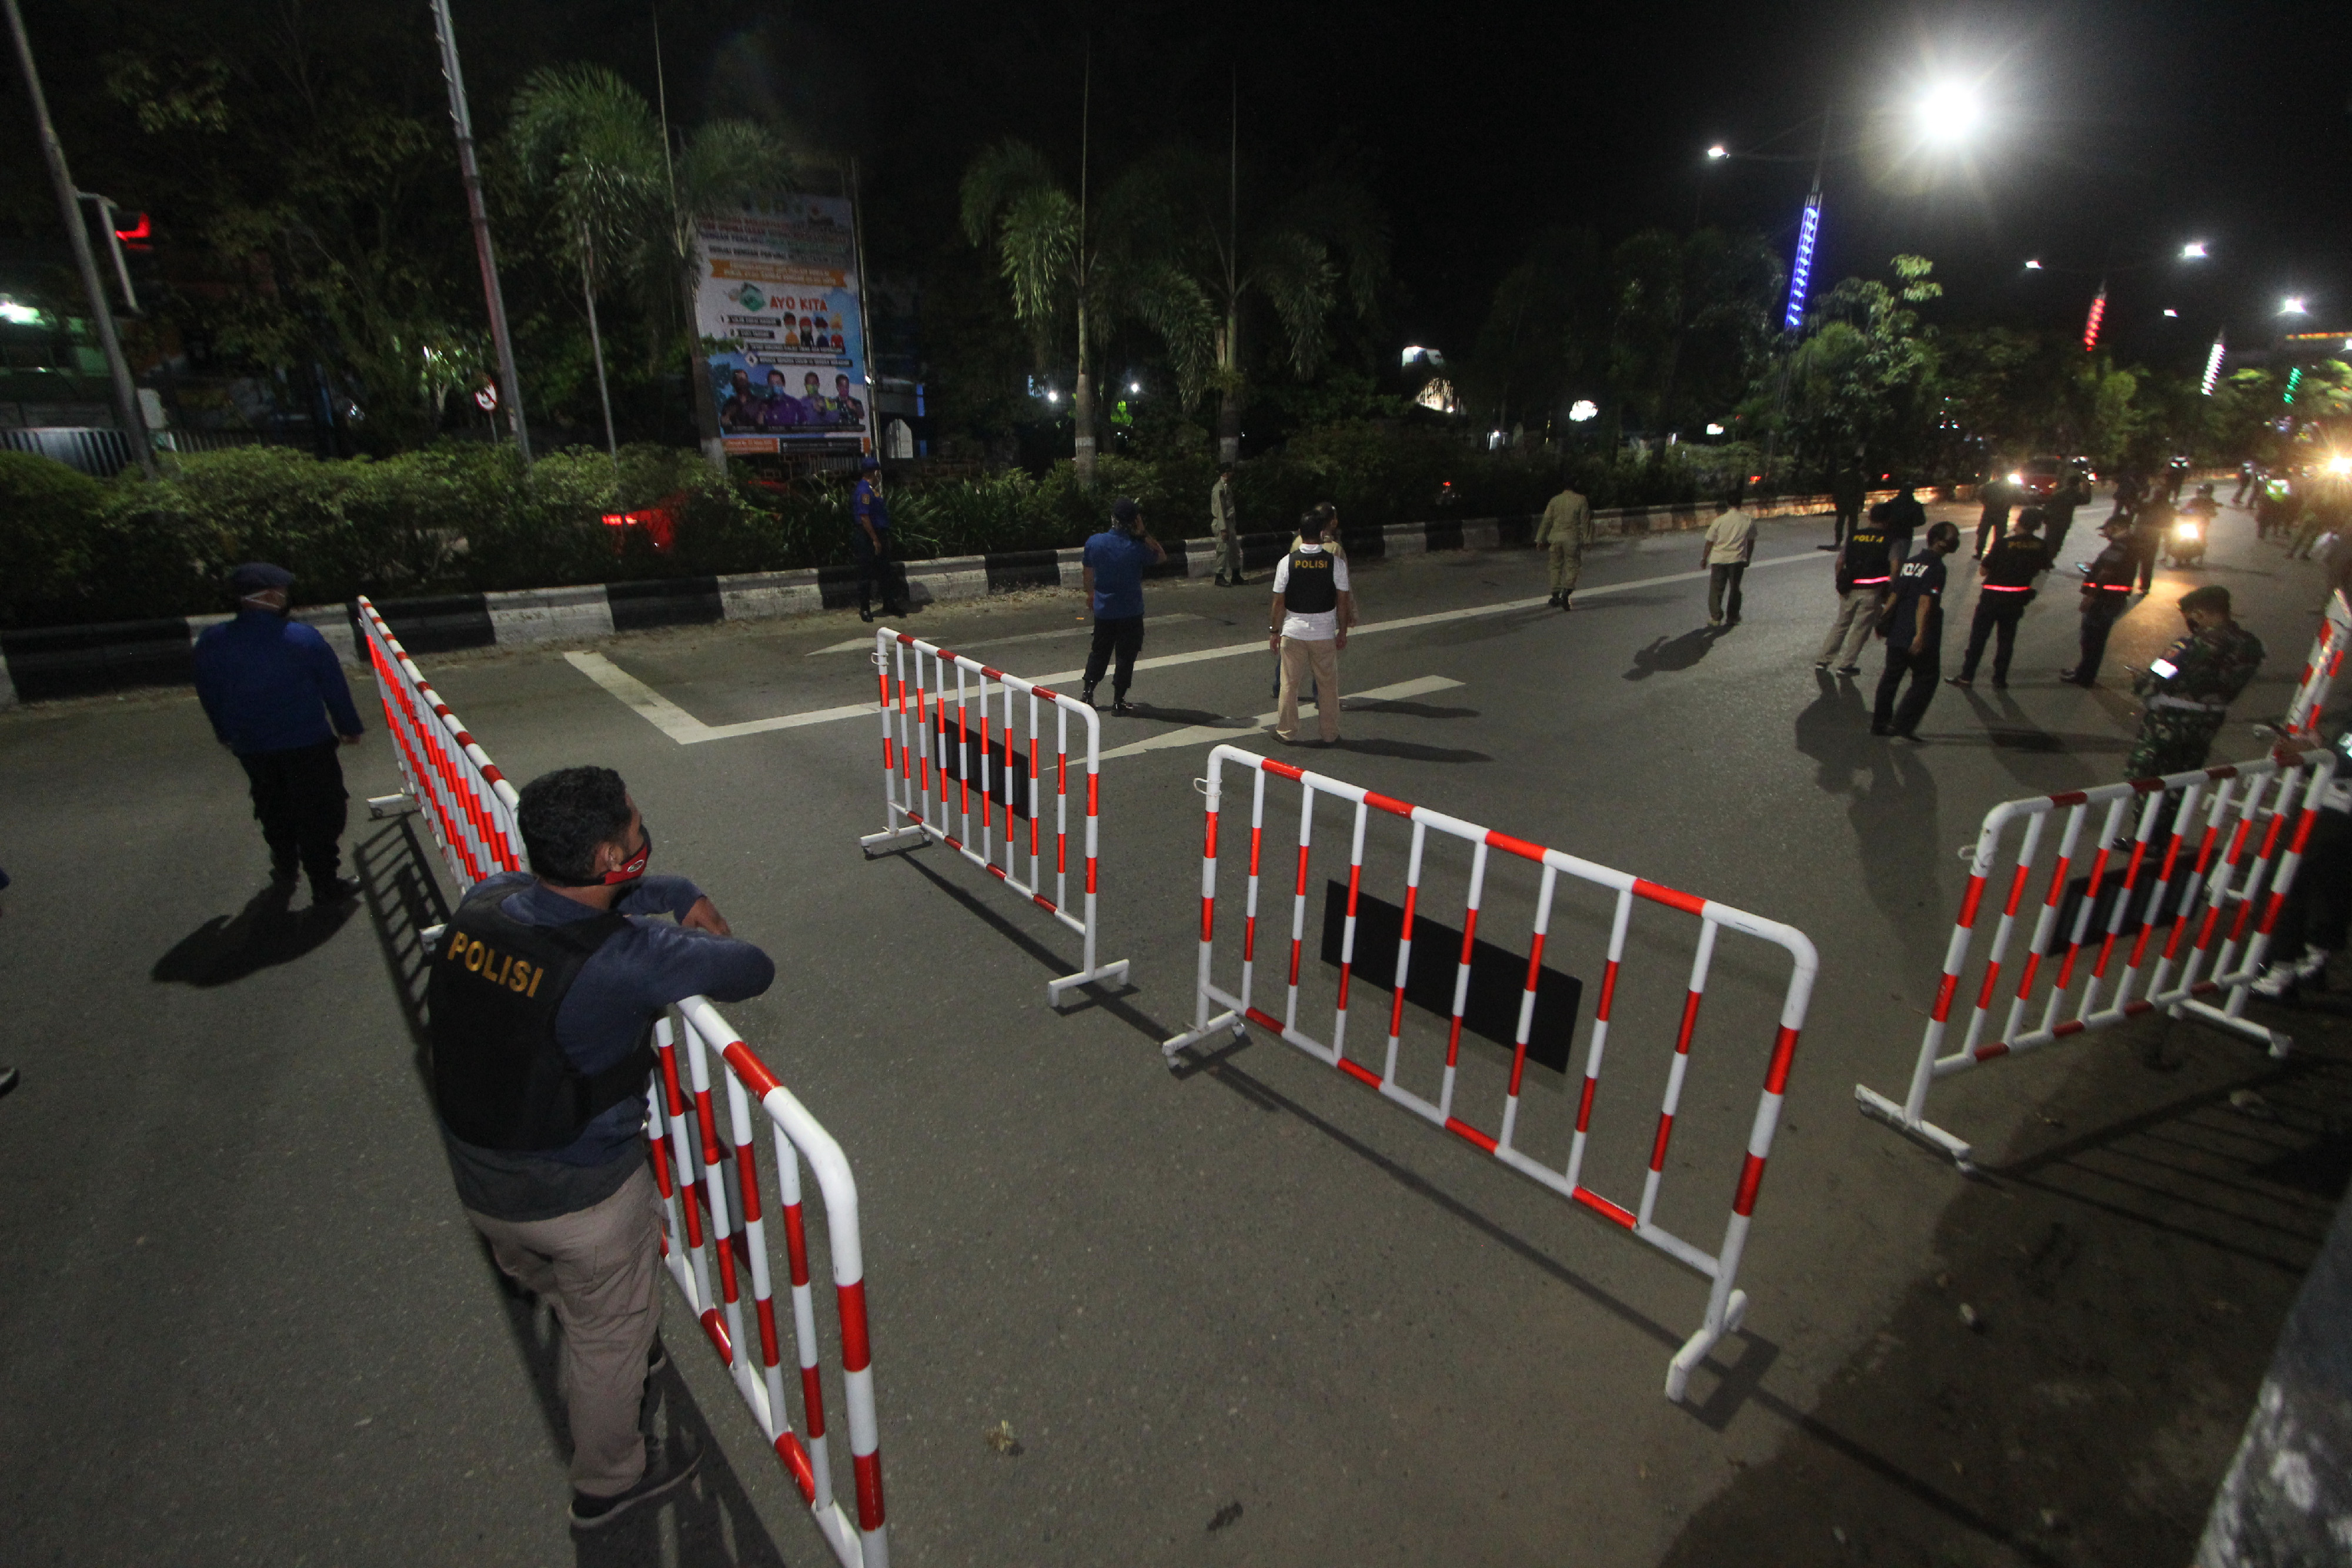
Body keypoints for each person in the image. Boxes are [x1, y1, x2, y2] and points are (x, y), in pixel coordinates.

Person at [430, 765, 773, 1529]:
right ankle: (609, 1482)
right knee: (609, 1336)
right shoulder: (628, 957)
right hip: (580, 1195)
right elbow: (752, 967)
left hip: (481, 1176)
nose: (644, 837)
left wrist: (673, 887)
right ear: (608, 858)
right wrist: (680, 918)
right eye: (636, 830)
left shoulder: (487, 901)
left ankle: (600, 1328)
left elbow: (570, 906)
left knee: (558, 1284)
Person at [193, 563, 366, 906]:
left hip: (252, 746)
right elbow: (333, 687)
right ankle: (325, 883)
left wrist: (224, 732)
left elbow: (209, 692)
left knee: (273, 806)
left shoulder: (212, 641)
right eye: (283, 592)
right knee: (320, 811)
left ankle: (286, 865)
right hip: (307, 744)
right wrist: (348, 727)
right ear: (271, 595)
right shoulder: (302, 638)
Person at [2123, 584, 2264, 778]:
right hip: (2209, 724)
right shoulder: (2251, 646)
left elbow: (2152, 682)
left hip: (2170, 723)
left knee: (2146, 779)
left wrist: (2139, 680)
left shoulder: (2189, 646)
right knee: (2182, 779)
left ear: (2199, 615)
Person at [2251, 728, 2352, 998]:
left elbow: (2342, 764)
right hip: (2328, 809)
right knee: (2321, 889)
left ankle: (2285, 969)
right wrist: (2314, 749)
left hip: (2333, 815)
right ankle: (2308, 961)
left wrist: (2313, 753)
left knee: (2289, 884)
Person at [1268, 507, 1355, 745]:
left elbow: (1278, 602)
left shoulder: (1286, 562)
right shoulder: (1335, 563)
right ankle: (1330, 734)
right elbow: (1343, 601)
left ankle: (1286, 731)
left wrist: (1274, 631)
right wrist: (1343, 631)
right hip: (1323, 634)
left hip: (1294, 632)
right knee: (1328, 686)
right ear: (1322, 533)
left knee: (1289, 684)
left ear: (1299, 533)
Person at [1872, 521, 1961, 740]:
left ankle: (1880, 723)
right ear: (1938, 541)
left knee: (1891, 678)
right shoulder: (1936, 567)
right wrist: (1920, 635)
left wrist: (1883, 621)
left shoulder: (1910, 563)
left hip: (1898, 630)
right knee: (1926, 678)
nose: (1955, 542)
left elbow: (1895, 594)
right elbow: (1925, 602)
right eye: (1952, 538)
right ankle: (1903, 724)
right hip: (1918, 632)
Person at [1080, 497, 1166, 714]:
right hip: (1130, 611)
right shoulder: (1137, 547)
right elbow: (1161, 557)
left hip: (1104, 610)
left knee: (1100, 652)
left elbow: (1088, 573)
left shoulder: (1095, 542)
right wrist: (1144, 533)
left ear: (1113, 518)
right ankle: (1119, 701)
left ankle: (1088, 692)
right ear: (1134, 521)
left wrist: (1091, 594)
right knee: (1126, 656)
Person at [1950, 509, 2052, 689]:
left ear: (2019, 521)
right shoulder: (2041, 546)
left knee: (1979, 638)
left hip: (1992, 597)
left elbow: (1984, 570)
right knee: (2006, 639)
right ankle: (1999, 678)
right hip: (2017, 598)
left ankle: (1967, 676)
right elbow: (2043, 570)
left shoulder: (2004, 543)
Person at [1814, 500, 1896, 675]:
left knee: (1841, 624)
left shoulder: (1854, 535)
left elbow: (1840, 562)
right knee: (1861, 628)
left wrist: (1840, 584)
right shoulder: (1889, 539)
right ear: (1888, 520)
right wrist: (1891, 591)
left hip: (1850, 588)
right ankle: (1846, 665)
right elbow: (1895, 568)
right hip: (1873, 590)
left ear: (1870, 517)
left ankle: (1824, 659)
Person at [2059, 517, 2140, 686]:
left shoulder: (2119, 546)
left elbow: (2107, 572)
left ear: (2116, 527)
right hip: (2112, 598)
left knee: (2092, 640)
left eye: (2107, 529)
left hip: (2104, 600)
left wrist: (2091, 596)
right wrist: (2094, 568)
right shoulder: (2130, 544)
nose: (2105, 533)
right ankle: (2083, 671)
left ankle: (2084, 677)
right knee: (2094, 639)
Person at [850, 457, 906, 622]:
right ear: (874, 472)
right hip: (867, 535)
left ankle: (889, 602)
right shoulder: (864, 490)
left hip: (879, 532)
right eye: (878, 472)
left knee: (885, 570)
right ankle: (865, 608)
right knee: (866, 572)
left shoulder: (872, 490)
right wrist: (875, 539)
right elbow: (864, 517)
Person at [1702, 492, 1756, 627]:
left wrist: (1704, 558)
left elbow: (1710, 541)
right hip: (1737, 559)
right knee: (1735, 588)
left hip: (1719, 559)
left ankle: (1716, 617)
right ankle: (1733, 616)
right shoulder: (1748, 520)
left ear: (1728, 503)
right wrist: (1748, 558)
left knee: (1716, 589)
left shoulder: (1720, 521)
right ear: (1741, 503)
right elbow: (1751, 541)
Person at [1538, 479, 1594, 610]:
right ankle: (1566, 592)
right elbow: (1585, 522)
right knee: (1572, 565)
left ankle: (1555, 594)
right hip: (1572, 539)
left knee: (1555, 566)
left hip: (1555, 538)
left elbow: (1546, 521)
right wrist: (1588, 540)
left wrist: (1540, 539)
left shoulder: (1554, 501)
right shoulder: (1581, 500)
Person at [1869, 482, 1927, 568]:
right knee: (1900, 560)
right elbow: (1921, 521)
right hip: (1905, 535)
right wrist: (1909, 523)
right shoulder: (1916, 506)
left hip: (1889, 534)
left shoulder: (1891, 504)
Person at [2130, 487, 2174, 593]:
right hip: (2152, 538)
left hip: (2139, 536)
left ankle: (2132, 584)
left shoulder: (2148, 505)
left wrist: (2139, 498)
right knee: (2148, 563)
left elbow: (2134, 509)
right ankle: (2145, 586)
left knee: (2134, 561)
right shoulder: (2168, 508)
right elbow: (2169, 525)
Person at [2043, 472, 2088, 565]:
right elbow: (2086, 500)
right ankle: (2048, 560)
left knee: (2049, 541)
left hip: (2052, 521)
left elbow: (2048, 506)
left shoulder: (2058, 493)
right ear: (2078, 485)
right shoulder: (2074, 494)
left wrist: (2046, 518)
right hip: (2063, 523)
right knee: (2057, 543)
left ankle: (2044, 560)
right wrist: (2087, 487)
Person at [1210, 463, 1242, 586]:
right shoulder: (1219, 489)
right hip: (1222, 523)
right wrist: (1223, 529)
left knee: (1234, 550)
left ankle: (1236, 575)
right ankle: (1219, 576)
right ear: (1226, 473)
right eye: (1231, 472)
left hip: (1229, 522)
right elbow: (1219, 510)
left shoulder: (1226, 487)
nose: (1233, 474)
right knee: (1223, 550)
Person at [1973, 473, 2015, 561]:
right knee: (2000, 535)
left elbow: (1980, 495)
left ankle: (1979, 553)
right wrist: (2006, 506)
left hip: (1989, 512)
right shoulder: (2010, 488)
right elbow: (2016, 498)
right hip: (2002, 514)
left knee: (1983, 533)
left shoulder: (1990, 485)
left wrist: (1986, 504)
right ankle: (1997, 553)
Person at [1830, 461, 1865, 548]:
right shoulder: (1859, 476)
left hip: (1842, 502)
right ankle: (1851, 541)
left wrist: (1836, 500)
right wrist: (1861, 504)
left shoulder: (1843, 475)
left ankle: (1838, 541)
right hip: (1853, 503)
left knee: (1840, 522)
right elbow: (1861, 491)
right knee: (1853, 524)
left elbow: (1836, 488)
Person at [720, 367, 763, 432]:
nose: (742, 383)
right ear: (734, 384)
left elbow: (763, 427)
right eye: (739, 380)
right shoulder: (729, 404)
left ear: (748, 382)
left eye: (744, 380)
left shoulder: (757, 402)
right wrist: (728, 414)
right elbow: (725, 425)